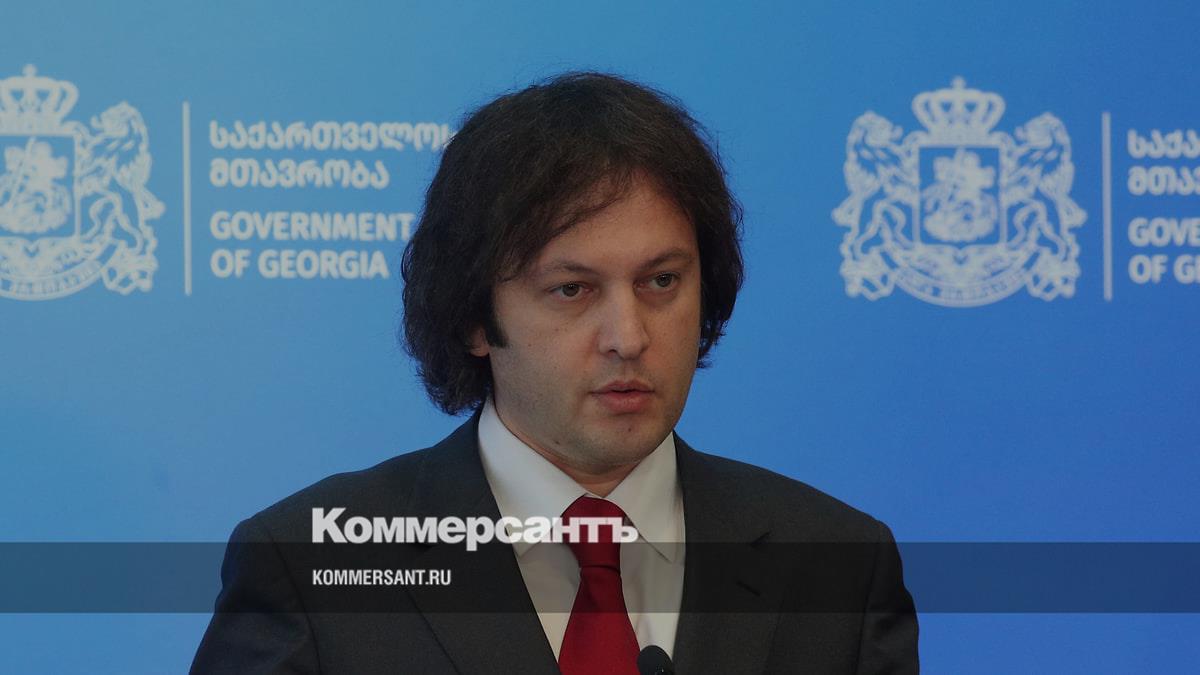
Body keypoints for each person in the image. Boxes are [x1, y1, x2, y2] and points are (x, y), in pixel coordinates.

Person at [191, 72, 919, 674]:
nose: (628, 337)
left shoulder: (839, 566)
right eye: (572, 290)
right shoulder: (311, 568)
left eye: (661, 281)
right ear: (475, 317)